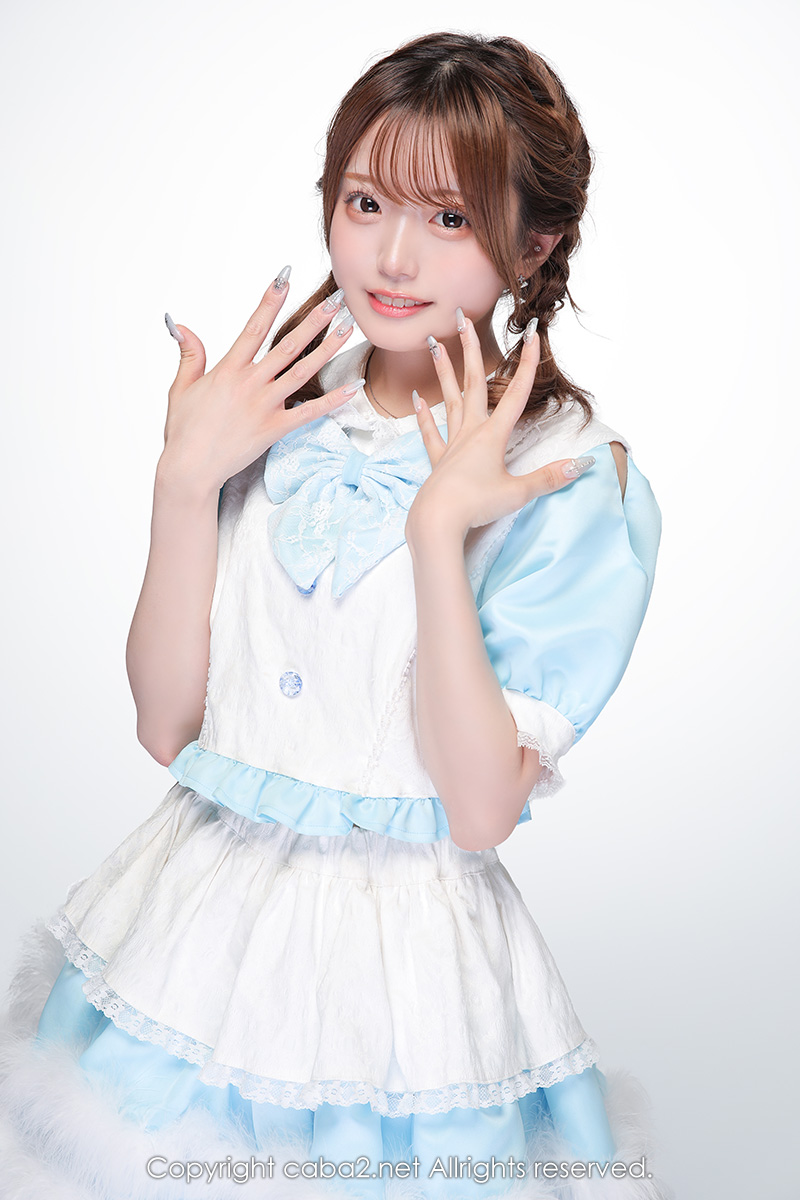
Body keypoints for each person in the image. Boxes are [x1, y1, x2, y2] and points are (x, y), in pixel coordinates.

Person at [0, 30, 669, 1200]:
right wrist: (183, 482)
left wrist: (435, 533)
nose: (392, 255)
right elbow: (168, 727)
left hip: (403, 997)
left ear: (533, 243)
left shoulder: (569, 478)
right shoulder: (272, 409)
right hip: (188, 940)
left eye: (449, 217)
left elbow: (479, 809)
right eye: (364, 202)